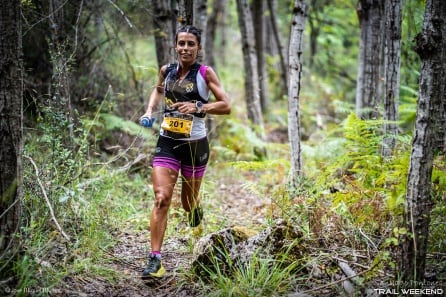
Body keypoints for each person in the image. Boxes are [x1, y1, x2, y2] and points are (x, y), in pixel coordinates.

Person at [140, 25, 231, 279]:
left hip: (195, 145)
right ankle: (155, 260)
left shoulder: (205, 73)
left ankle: (195, 209)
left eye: (191, 44)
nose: (185, 48)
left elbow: (226, 105)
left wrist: (199, 106)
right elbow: (158, 89)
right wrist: (149, 110)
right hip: (168, 141)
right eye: (181, 43)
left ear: (198, 48)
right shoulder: (166, 71)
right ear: (175, 46)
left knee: (187, 203)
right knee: (161, 198)